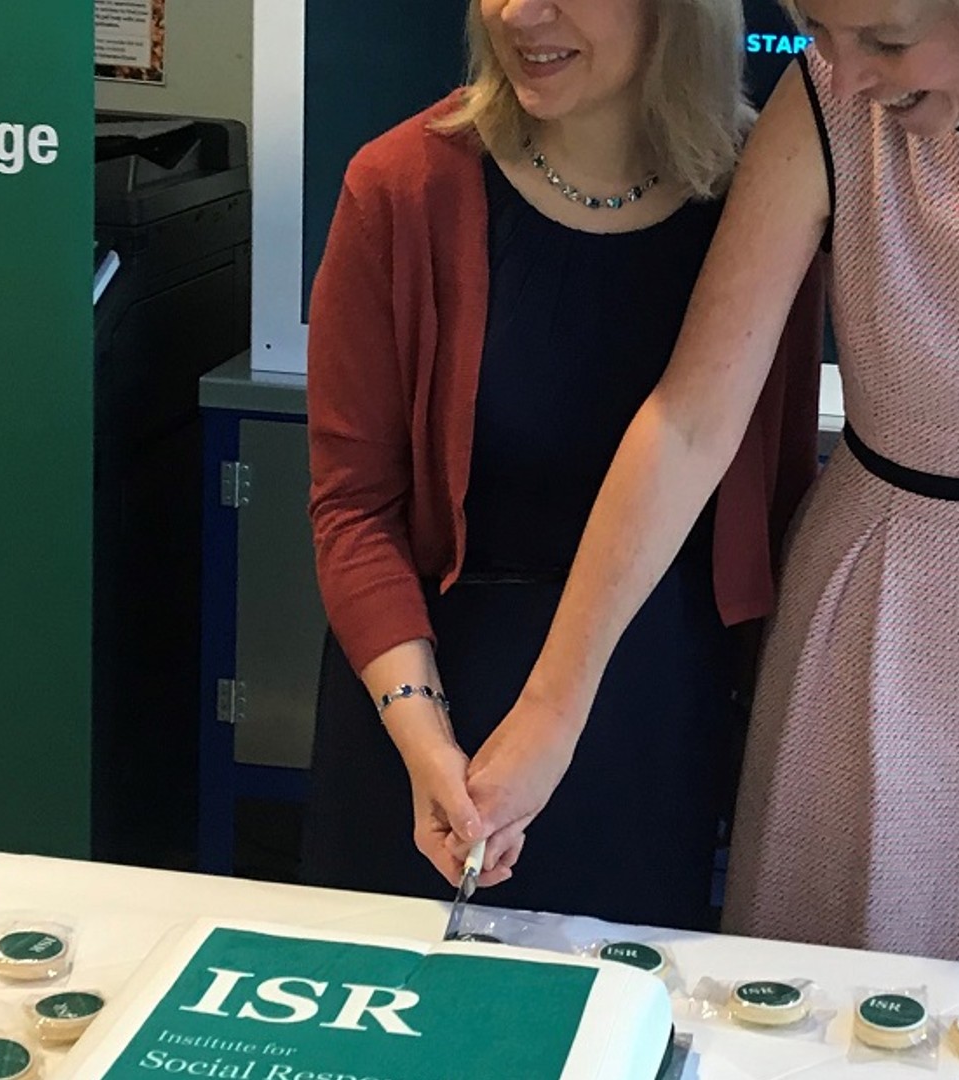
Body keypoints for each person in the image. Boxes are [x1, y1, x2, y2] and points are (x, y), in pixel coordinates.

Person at [462, 0, 959, 985]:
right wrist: (554, 706)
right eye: (817, 29)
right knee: (830, 998)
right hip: (878, 607)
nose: (844, 75)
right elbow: (690, 420)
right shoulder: (826, 109)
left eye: (885, 40)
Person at [299, 0, 826, 929]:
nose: (517, 13)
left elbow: (769, 502)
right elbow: (354, 510)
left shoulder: (766, 201)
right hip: (425, 694)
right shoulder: (400, 186)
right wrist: (427, 744)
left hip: (648, 713)